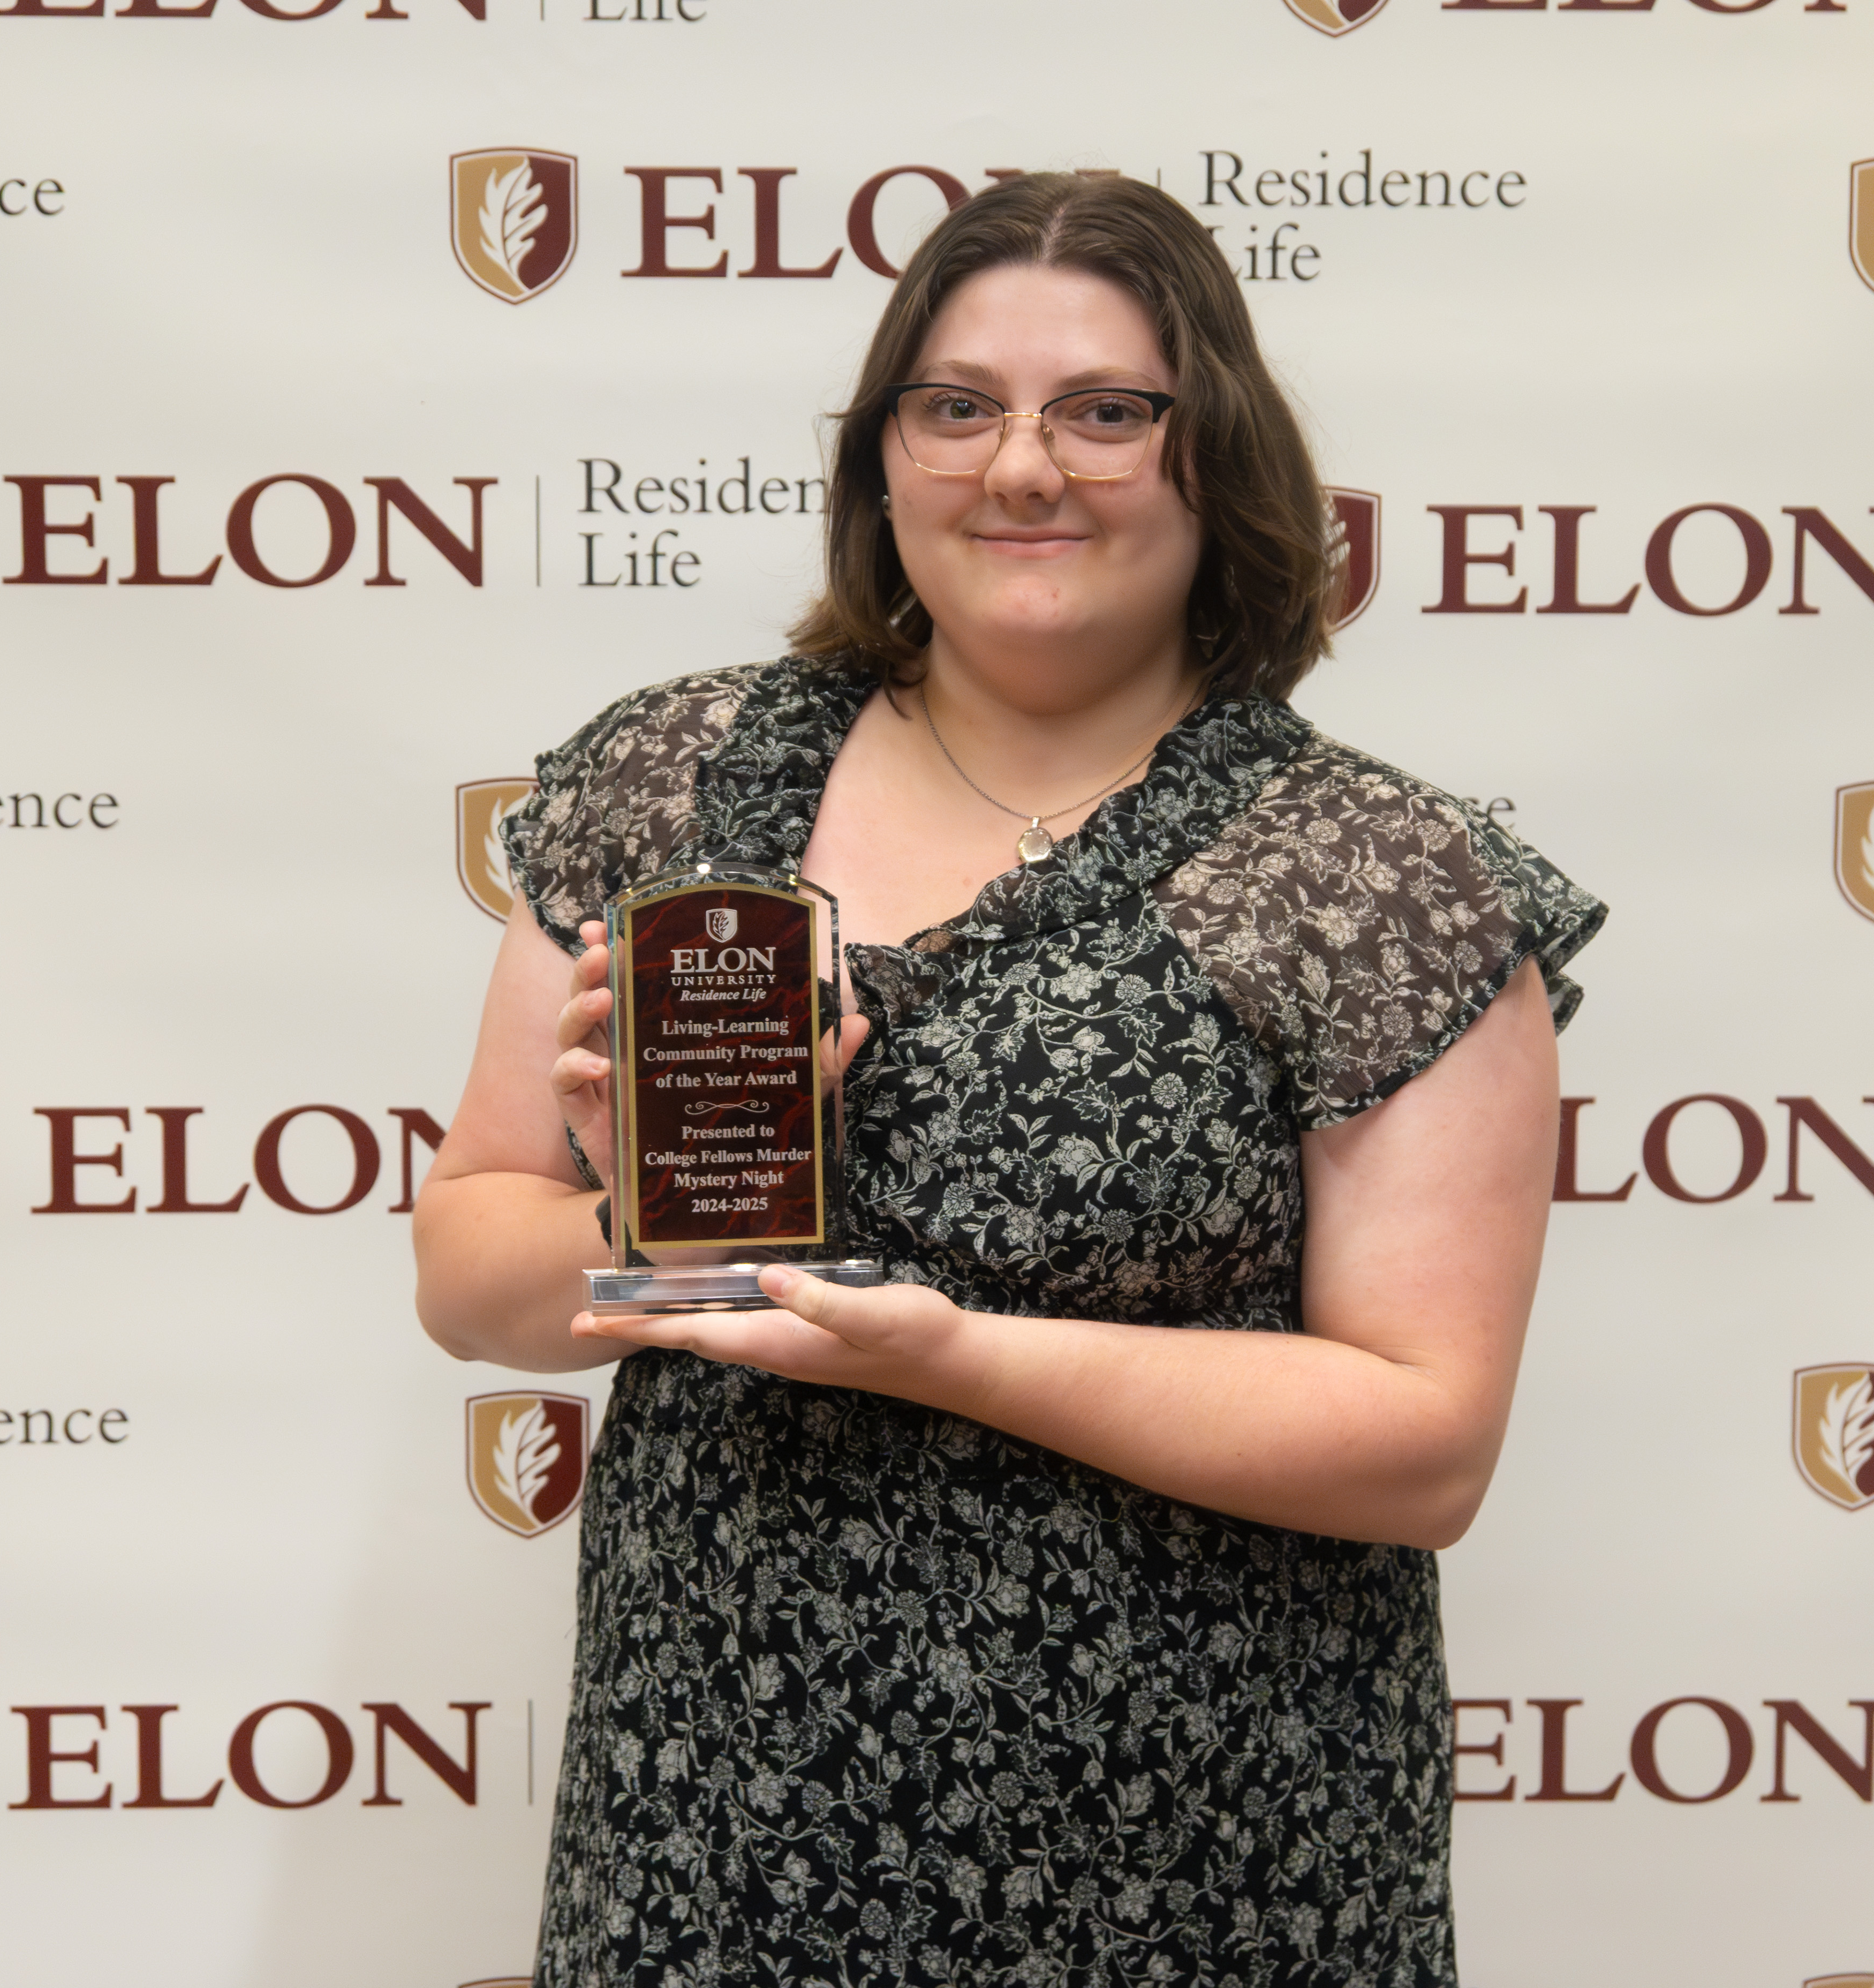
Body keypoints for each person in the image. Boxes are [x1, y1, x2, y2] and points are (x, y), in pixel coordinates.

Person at [413, 172, 1604, 1987]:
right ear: (886, 461)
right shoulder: (678, 779)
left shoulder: (1376, 876)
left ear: (1224, 461)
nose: (1023, 467)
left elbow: (1425, 1444)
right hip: (721, 1817)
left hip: (1197, 1855)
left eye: (1109, 412)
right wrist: (636, 1218)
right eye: (955, 407)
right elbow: (475, 1280)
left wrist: (952, 1351)